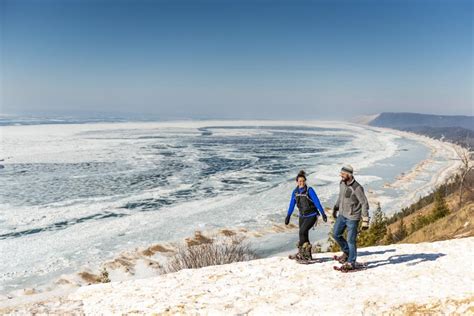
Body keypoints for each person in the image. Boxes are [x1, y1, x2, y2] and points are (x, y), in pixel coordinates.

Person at [332, 165, 370, 270]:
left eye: (343, 174)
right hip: (342, 215)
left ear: (349, 174)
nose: (341, 175)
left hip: (353, 218)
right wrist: (335, 208)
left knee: (351, 240)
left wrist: (365, 220)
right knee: (336, 234)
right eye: (341, 173)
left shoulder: (357, 187)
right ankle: (347, 252)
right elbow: (340, 197)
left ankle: (351, 262)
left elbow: (364, 203)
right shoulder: (342, 183)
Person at [285, 170, 327, 261]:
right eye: (300, 181)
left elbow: (317, 202)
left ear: (305, 181)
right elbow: (291, 204)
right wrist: (288, 216)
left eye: (303, 181)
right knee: (303, 235)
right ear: (297, 182)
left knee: (302, 231)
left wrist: (323, 213)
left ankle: (304, 254)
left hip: (312, 215)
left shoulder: (309, 190)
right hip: (302, 216)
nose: (302, 183)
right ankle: (305, 254)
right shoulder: (295, 192)